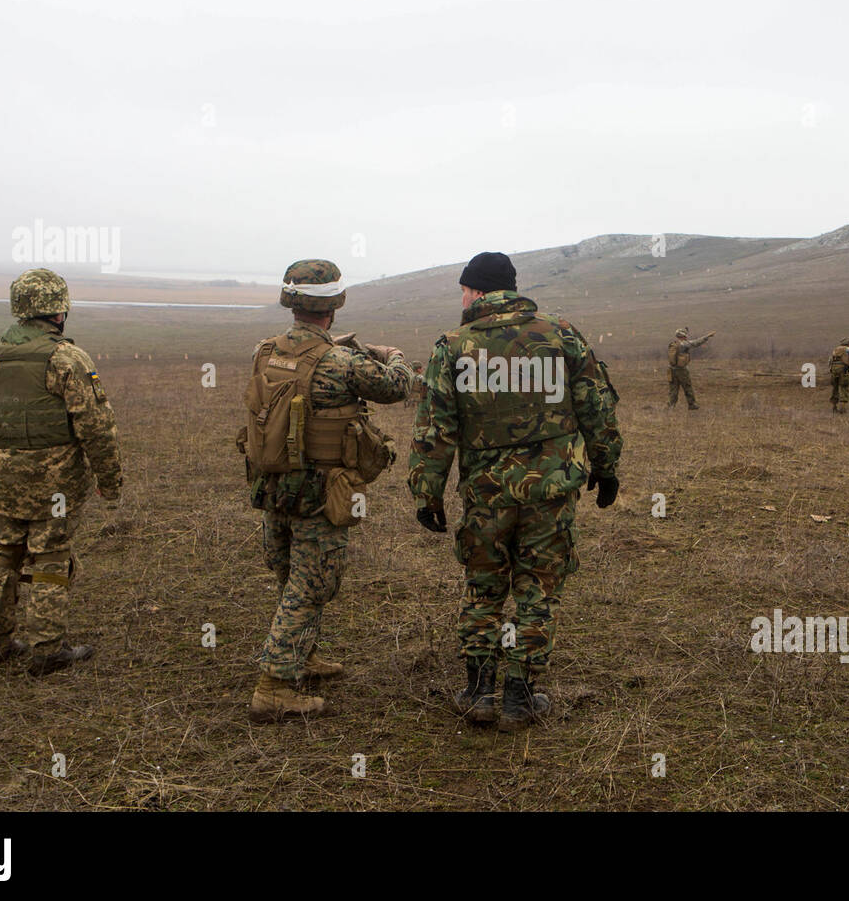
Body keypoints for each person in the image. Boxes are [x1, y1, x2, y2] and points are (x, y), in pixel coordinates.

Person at [409, 251, 622, 732]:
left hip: (486, 494)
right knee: (538, 589)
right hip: (551, 491)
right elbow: (596, 405)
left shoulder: (453, 345)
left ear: (476, 291)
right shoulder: (560, 334)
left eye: (463, 289)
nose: (461, 297)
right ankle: (519, 697)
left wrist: (428, 493)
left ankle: (479, 690)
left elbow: (434, 428)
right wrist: (606, 467)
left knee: (484, 588)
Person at [243, 259, 412, 722]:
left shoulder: (264, 351)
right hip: (321, 489)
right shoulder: (341, 361)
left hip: (274, 485)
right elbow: (398, 387)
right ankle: (274, 686)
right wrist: (390, 353)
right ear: (333, 307)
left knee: (291, 575)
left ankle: (302, 655)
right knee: (314, 581)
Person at [0, 268, 122, 675]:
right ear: (59, 312)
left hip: (0, 481)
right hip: (55, 487)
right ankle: (47, 649)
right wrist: (109, 481)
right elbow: (96, 426)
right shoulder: (66, 358)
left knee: (4, 555)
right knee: (50, 559)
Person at [667, 327, 715, 409]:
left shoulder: (673, 344)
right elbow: (696, 343)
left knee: (673, 388)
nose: (686, 336)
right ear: (683, 336)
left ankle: (671, 405)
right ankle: (692, 404)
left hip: (671, 369)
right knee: (687, 387)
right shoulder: (684, 344)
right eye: (685, 335)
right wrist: (707, 337)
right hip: (681, 370)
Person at [828, 337, 849, 413]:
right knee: (844, 387)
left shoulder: (836, 349)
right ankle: (843, 408)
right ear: (848, 343)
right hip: (843, 370)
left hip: (834, 369)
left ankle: (834, 406)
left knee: (835, 388)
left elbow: (830, 361)